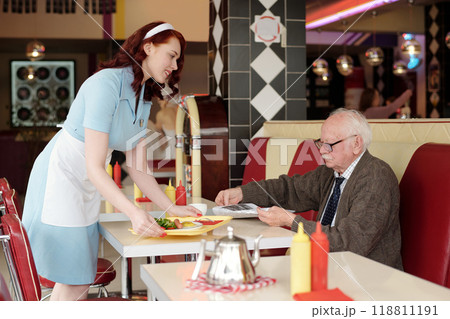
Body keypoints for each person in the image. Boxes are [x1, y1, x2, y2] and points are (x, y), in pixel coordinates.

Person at [22, 22, 201, 301]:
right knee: (74, 280)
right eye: (172, 55)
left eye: (178, 59)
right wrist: (133, 212)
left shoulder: (142, 96)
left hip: (87, 183)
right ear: (148, 47)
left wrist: (172, 208)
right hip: (62, 178)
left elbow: (139, 169)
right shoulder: (105, 84)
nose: (175, 65)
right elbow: (95, 166)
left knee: (79, 279)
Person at [215, 108, 402, 270]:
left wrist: (293, 222)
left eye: (329, 145)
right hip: (328, 266)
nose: (321, 151)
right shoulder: (331, 174)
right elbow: (289, 189)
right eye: (321, 143)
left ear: (356, 143)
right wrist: (242, 193)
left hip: (366, 279)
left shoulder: (376, 177)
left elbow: (350, 242)